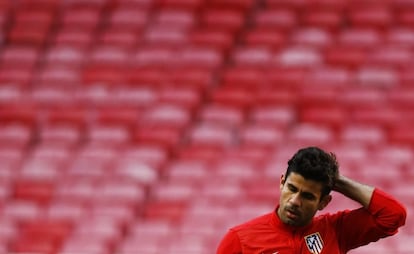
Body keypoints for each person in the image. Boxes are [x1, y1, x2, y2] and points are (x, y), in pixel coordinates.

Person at [216, 146, 407, 254]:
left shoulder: (336, 230)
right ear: (282, 182)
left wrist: (337, 180)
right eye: (292, 189)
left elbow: (393, 215)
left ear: (324, 202)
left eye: (308, 196)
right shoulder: (240, 240)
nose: (294, 201)